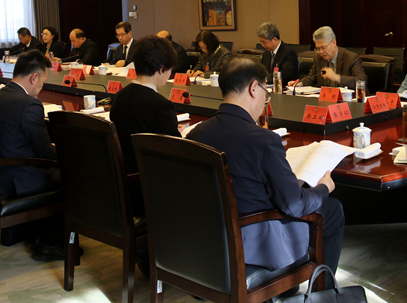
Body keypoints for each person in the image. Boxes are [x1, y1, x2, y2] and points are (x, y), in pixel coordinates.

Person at [188, 58, 345, 278]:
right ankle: (324, 292)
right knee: (332, 209)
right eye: (265, 91)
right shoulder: (263, 140)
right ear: (254, 88)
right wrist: (323, 188)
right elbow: (294, 205)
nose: (265, 99)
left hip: (206, 238)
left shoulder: (196, 133)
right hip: (253, 242)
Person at [0, 50, 62, 261]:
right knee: (72, 173)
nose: (41, 87)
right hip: (18, 179)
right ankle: (51, 243)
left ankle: (40, 234)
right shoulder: (29, 104)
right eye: (43, 82)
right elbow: (45, 153)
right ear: (34, 77)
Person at [109, 36, 180, 212]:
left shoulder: (120, 97)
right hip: (150, 189)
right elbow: (176, 153)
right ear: (161, 70)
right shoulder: (161, 105)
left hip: (122, 185)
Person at [289, 26, 366, 90]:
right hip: (325, 99)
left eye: (323, 47)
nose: (321, 52)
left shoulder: (351, 58)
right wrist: (300, 83)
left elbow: (362, 81)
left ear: (334, 42)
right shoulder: (318, 58)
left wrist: (337, 78)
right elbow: (312, 77)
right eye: (318, 48)